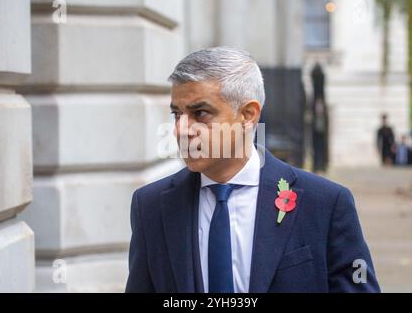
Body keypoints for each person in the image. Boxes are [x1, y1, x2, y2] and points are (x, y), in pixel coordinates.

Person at [125, 47, 380, 293]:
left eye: (200, 113)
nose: (181, 129)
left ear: (248, 115)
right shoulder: (150, 208)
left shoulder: (325, 204)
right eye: (176, 114)